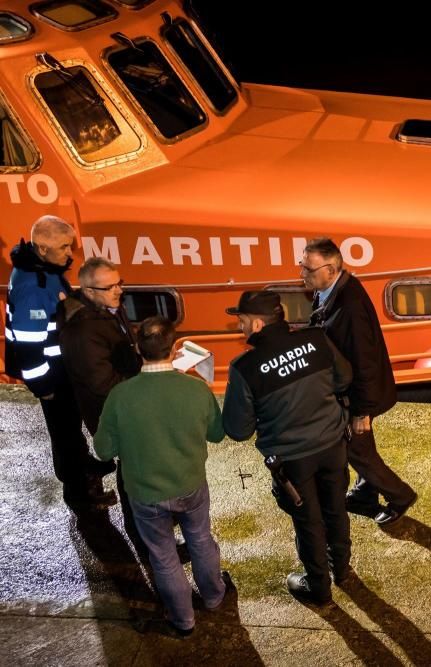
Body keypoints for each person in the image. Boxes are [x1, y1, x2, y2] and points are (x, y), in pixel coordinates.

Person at [94, 316, 231, 637]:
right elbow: (216, 434)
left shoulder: (120, 396)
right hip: (191, 484)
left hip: (145, 493)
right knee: (200, 539)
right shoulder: (196, 388)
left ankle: (183, 621)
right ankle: (214, 597)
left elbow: (102, 449)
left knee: (163, 554)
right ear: (174, 347)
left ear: (138, 350)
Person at [222, 290, 354, 605]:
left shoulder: (245, 367)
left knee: (308, 521)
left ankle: (318, 587)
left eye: (241, 321)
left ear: (255, 324)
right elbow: (344, 377)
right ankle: (342, 568)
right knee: (336, 507)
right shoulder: (317, 339)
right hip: (333, 444)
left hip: (292, 460)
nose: (240, 328)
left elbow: (238, 430)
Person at [302, 238, 417, 525]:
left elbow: (364, 361)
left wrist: (361, 412)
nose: (303, 273)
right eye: (302, 266)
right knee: (362, 448)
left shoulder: (348, 305)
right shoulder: (331, 289)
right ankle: (365, 495)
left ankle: (400, 496)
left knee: (358, 451)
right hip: (354, 391)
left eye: (309, 269)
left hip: (359, 396)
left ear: (330, 269)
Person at [5, 215, 115, 507]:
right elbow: (29, 346)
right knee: (64, 433)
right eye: (65, 247)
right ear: (42, 248)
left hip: (61, 371)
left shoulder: (44, 269)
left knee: (70, 428)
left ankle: (84, 464)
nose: (70, 253)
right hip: (53, 378)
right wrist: (44, 387)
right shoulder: (34, 285)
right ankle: (80, 494)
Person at [58, 257, 145, 545]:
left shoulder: (105, 310)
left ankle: (148, 524)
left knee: (136, 465)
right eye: (111, 287)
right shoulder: (83, 330)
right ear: (89, 291)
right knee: (132, 470)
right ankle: (143, 536)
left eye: (120, 282)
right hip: (114, 411)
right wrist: (146, 382)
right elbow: (102, 383)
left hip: (126, 401)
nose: (119, 290)